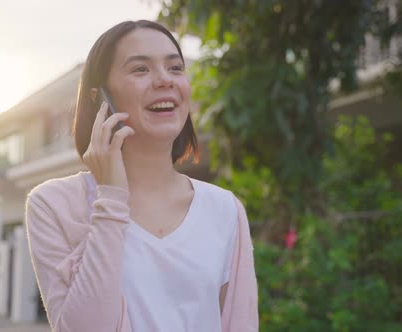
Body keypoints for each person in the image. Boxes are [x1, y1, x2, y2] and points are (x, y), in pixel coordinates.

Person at [25, 20, 258, 332]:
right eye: (140, 69)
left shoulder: (225, 210)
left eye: (175, 68)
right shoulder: (53, 205)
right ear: (100, 97)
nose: (165, 80)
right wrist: (111, 200)